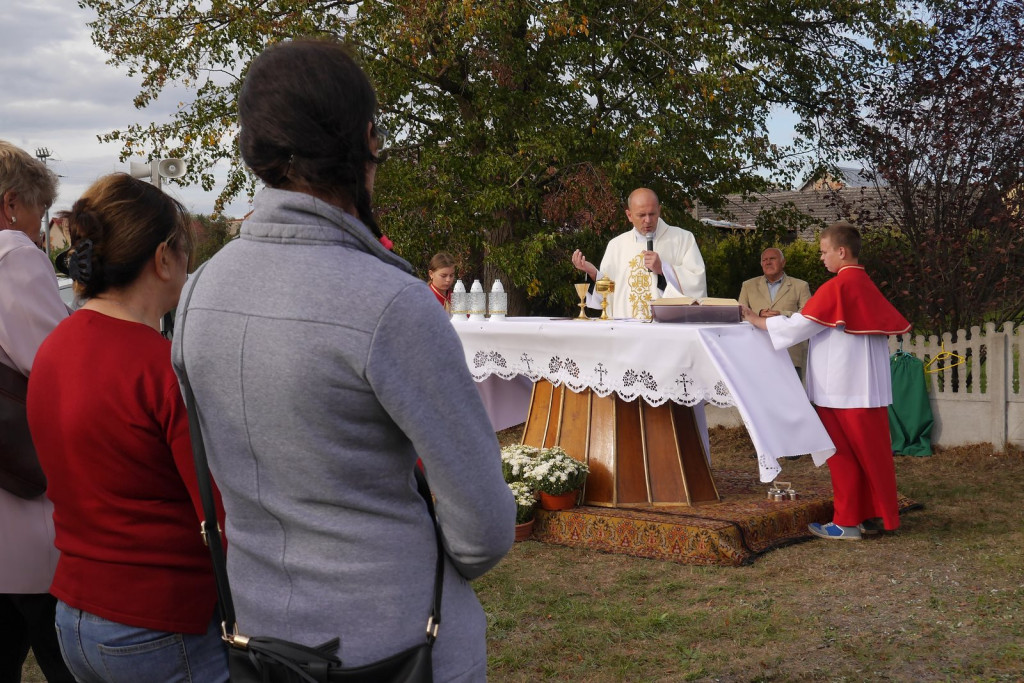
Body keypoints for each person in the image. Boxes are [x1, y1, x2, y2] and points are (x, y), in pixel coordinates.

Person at [171, 38, 515, 680]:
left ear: (255, 150)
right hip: (396, 641)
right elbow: (485, 527)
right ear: (368, 141)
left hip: (265, 636)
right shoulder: (393, 303)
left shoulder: (199, 292)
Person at [25, 173, 228, 682]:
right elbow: (219, 513)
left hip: (74, 615)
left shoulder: (54, 347)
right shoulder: (162, 366)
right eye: (186, 249)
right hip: (159, 621)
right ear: (163, 258)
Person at [742, 222, 911, 541]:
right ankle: (876, 516)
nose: (821, 258)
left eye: (824, 251)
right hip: (868, 391)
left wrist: (754, 319)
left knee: (841, 456)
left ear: (841, 251)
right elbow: (816, 322)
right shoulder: (865, 285)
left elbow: (799, 329)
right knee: (873, 458)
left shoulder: (836, 287)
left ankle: (846, 523)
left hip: (839, 390)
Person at [0, 141, 74, 683]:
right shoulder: (15, 258)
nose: (38, 227)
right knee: (66, 658)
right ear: (9, 205)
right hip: (23, 509)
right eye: (37, 212)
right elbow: (61, 368)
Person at [571, 187, 707, 319]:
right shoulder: (616, 245)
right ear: (629, 215)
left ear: (659, 211)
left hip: (666, 330)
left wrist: (663, 269)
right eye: (641, 215)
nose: (647, 220)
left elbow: (696, 283)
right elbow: (608, 293)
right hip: (627, 330)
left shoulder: (682, 239)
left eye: (652, 214)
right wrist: (593, 274)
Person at [738, 247, 812, 374]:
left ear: (783, 262)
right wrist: (758, 315)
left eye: (772, 259)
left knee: (791, 393)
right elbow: (739, 314)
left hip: (790, 354)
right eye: (764, 260)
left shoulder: (800, 286)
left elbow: (808, 316)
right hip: (756, 352)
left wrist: (781, 314)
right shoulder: (748, 285)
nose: (768, 262)